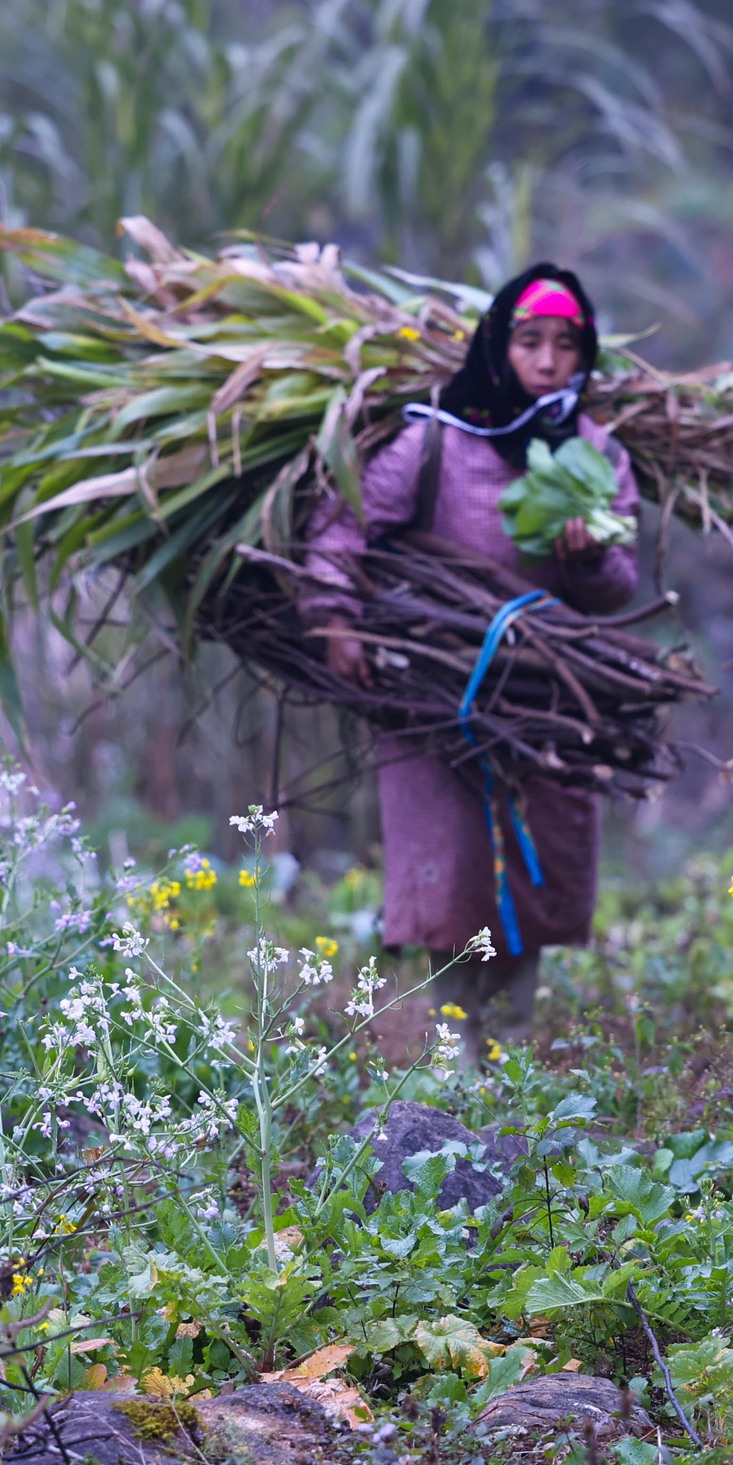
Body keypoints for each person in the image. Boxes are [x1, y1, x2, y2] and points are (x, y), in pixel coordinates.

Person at [300, 263, 641, 1062]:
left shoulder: (593, 454)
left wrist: (590, 559)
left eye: (567, 344)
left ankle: (514, 1041)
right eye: (530, 342)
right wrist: (336, 618)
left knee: (538, 862)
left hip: (545, 697)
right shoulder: (435, 441)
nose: (550, 362)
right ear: (498, 344)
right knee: (449, 870)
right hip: (437, 693)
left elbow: (619, 585)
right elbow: (343, 527)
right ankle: (458, 1046)